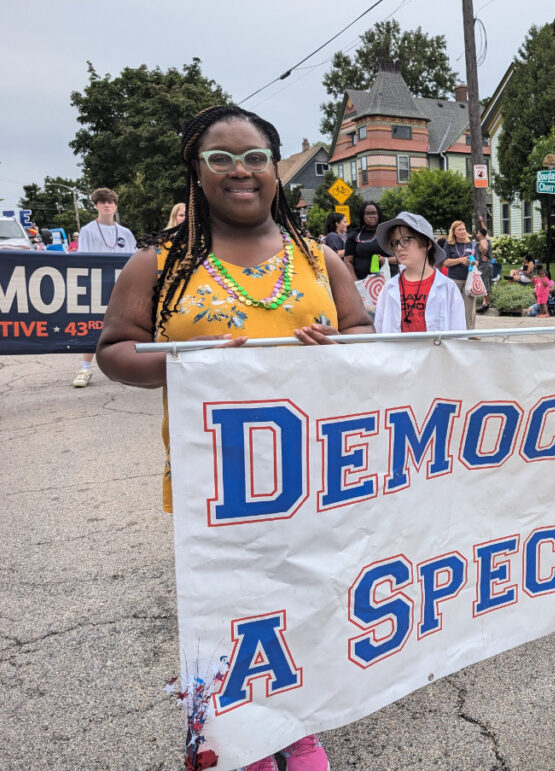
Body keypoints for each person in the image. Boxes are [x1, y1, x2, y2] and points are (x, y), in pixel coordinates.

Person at [95, 104, 373, 771]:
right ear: (196, 171)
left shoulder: (320, 258)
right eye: (220, 157)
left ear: (276, 171)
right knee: (230, 620)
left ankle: (296, 725)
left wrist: (340, 350)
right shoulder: (156, 264)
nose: (240, 171)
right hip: (216, 492)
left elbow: (364, 332)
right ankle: (230, 738)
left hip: (315, 479)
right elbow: (112, 350)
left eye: (254, 157)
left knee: (303, 608)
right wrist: (188, 360)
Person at [73, 187, 138, 388]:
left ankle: (129, 366)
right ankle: (85, 368)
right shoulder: (87, 230)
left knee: (125, 326)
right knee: (92, 326)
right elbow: (83, 260)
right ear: (96, 206)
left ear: (115, 206)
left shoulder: (125, 232)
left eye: (110, 202)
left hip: (121, 286)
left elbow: (135, 259)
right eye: (102, 202)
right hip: (96, 285)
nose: (107, 205)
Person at [374, 211, 466, 333]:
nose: (399, 247)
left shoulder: (448, 288)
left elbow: (458, 335)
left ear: (427, 244)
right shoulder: (388, 288)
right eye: (395, 242)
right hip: (398, 352)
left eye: (406, 239)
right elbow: (379, 331)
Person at [444, 220, 477, 329]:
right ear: (454, 232)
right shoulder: (449, 244)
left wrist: (473, 262)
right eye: (459, 230)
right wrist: (460, 260)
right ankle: (454, 330)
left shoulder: (471, 244)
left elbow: (477, 261)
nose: (462, 232)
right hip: (454, 279)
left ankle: (470, 332)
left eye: (463, 229)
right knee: (454, 306)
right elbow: (445, 262)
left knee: (469, 307)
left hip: (469, 279)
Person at [344, 201, 387, 279]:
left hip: (386, 280)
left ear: (379, 215)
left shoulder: (387, 233)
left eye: (374, 213)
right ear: (362, 216)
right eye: (367, 213)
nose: (371, 216)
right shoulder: (354, 235)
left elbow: (399, 259)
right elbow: (348, 261)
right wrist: (355, 282)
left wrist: (386, 260)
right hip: (361, 282)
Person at [475, 225, 493, 312]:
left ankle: (487, 303)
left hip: (484, 265)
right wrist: (482, 222)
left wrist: (482, 255)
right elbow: (485, 230)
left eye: (478, 233)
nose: (477, 234)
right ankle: (485, 303)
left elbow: (484, 248)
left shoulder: (483, 240)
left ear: (481, 234)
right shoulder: (487, 239)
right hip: (489, 265)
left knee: (484, 284)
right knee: (487, 283)